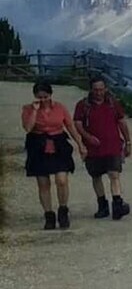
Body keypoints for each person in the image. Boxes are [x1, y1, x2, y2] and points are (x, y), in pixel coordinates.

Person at [21, 80, 88, 230]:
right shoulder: (27, 109)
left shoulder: (60, 108)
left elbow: (70, 126)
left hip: (58, 143)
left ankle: (63, 210)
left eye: (45, 96)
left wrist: (80, 144)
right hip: (38, 144)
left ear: (50, 95)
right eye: (40, 97)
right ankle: (49, 215)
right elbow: (28, 127)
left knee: (62, 179)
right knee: (43, 183)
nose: (43, 100)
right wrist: (34, 110)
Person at [75, 76, 132, 220]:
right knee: (96, 176)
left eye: (101, 89)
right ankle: (102, 205)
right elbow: (77, 123)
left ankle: (117, 204)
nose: (99, 93)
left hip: (112, 145)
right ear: (91, 90)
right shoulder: (83, 105)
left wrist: (128, 142)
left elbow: (122, 122)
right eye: (96, 90)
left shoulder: (113, 104)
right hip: (93, 147)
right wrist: (87, 138)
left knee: (114, 174)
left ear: (105, 89)